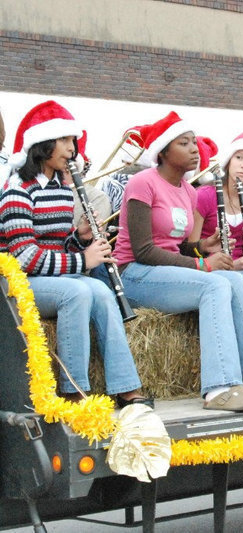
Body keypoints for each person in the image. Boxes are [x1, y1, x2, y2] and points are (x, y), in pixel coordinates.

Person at [110, 111, 243, 412]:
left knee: (235, 280)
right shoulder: (142, 182)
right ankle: (220, 388)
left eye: (194, 142)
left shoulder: (188, 190)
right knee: (215, 286)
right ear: (163, 151)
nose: (194, 149)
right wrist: (203, 265)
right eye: (184, 143)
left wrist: (202, 247)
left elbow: (177, 246)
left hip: (166, 272)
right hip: (135, 274)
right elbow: (144, 250)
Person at [0, 100, 148, 406]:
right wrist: (83, 259)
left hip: (49, 278)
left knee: (102, 291)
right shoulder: (17, 190)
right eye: (65, 140)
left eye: (72, 141)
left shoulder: (61, 188)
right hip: (16, 284)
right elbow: (25, 257)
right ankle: (73, 390)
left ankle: (125, 386)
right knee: (77, 292)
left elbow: (58, 244)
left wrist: (79, 238)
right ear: (43, 144)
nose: (72, 148)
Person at [190, 132, 243, 282]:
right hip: (211, 273)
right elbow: (190, 249)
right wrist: (233, 266)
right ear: (228, 161)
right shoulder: (204, 195)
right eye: (239, 157)